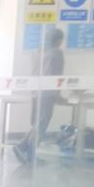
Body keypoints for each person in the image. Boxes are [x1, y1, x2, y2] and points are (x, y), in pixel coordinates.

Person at [12, 26, 65, 164]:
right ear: (58, 40)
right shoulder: (56, 53)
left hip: (36, 91)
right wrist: (57, 94)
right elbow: (56, 75)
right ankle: (27, 150)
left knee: (38, 123)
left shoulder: (38, 52)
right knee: (42, 123)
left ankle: (25, 149)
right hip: (48, 92)